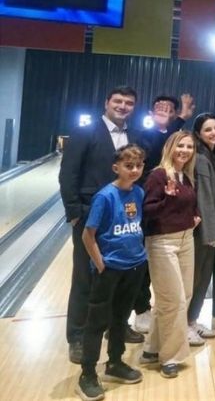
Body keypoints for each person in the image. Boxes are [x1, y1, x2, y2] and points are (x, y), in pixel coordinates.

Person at [59, 85, 142, 364]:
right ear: (106, 102)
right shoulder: (86, 132)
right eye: (117, 101)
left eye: (128, 102)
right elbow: (68, 173)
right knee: (86, 277)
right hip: (88, 214)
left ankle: (115, 327)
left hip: (121, 218)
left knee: (116, 276)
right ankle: (78, 336)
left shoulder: (133, 136)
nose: (122, 106)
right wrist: (73, 213)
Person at [75, 144, 148, 401]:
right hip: (110, 269)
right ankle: (87, 374)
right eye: (129, 166)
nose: (135, 170)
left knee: (120, 319)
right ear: (116, 167)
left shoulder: (138, 193)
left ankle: (115, 362)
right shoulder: (105, 196)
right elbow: (88, 234)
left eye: (139, 165)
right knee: (97, 322)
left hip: (134, 266)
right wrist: (101, 263)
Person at [139, 130, 200, 378]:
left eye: (189, 146)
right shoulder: (158, 175)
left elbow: (188, 204)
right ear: (170, 147)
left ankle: (152, 349)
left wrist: (195, 216)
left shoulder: (186, 176)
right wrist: (166, 198)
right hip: (163, 242)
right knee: (173, 299)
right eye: (180, 146)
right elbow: (147, 210)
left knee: (182, 296)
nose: (185, 150)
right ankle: (171, 357)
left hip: (186, 239)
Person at [133, 94, 194, 336]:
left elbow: (171, 147)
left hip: (170, 220)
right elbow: (157, 151)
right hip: (145, 206)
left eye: (170, 108)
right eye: (159, 107)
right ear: (150, 112)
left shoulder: (176, 146)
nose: (164, 111)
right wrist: (170, 121)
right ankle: (140, 310)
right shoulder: (142, 135)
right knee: (142, 265)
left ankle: (160, 316)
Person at [186, 114, 215, 344]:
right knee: (196, 277)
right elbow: (205, 198)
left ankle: (191, 321)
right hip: (204, 230)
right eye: (208, 129)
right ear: (199, 134)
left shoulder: (212, 155)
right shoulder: (201, 158)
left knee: (203, 277)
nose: (214, 132)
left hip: (212, 226)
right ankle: (183, 324)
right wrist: (211, 233)